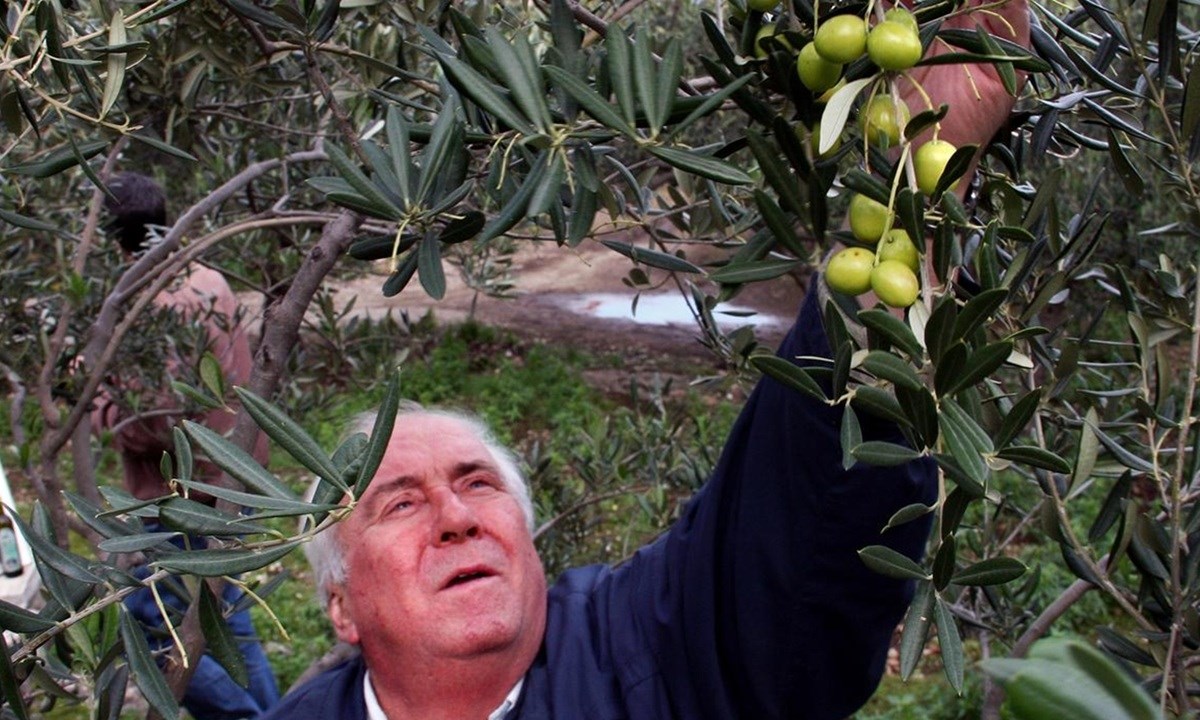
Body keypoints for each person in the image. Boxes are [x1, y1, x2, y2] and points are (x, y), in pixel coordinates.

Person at [265, 2, 1031, 717]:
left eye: (480, 483)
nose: (458, 519)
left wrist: (921, 168)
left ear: (530, 541)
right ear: (340, 605)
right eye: (399, 503)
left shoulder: (647, 650)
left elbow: (800, 521)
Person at [94, 172, 281, 720]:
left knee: (147, 623)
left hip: (183, 498)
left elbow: (154, 424)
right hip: (230, 478)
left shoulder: (151, 302)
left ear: (113, 237)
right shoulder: (206, 278)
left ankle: (249, 718)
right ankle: (274, 714)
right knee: (230, 626)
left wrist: (98, 401)